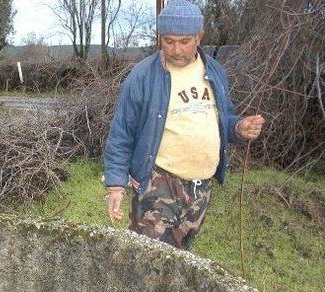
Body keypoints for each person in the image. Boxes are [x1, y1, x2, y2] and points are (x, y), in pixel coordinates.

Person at [103, 0, 264, 250]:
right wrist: (116, 185)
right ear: (160, 38)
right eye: (168, 41)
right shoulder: (143, 77)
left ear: (199, 37)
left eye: (184, 41)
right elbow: (122, 132)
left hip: (201, 189)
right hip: (159, 185)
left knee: (182, 263)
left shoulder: (215, 71)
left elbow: (222, 118)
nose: (176, 50)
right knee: (148, 261)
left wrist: (238, 128)